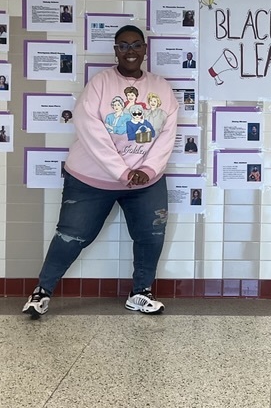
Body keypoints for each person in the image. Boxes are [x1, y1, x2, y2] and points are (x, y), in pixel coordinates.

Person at [23, 24, 177, 319]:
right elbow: (90, 130)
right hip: (90, 178)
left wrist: (147, 168)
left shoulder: (161, 87)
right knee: (72, 235)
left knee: (151, 235)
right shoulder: (100, 84)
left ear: (145, 49)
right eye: (123, 45)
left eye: (135, 45)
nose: (130, 51)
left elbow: (167, 134)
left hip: (146, 180)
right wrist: (122, 171)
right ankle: (41, 292)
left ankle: (140, 293)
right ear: (115, 50)